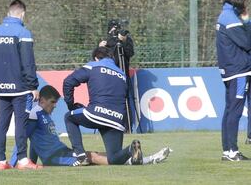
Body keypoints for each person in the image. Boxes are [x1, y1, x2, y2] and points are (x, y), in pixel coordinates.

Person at [9, 85, 171, 166]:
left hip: (61, 152)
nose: (55, 106)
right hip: (55, 158)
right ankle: (139, 156)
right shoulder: (34, 114)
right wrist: (18, 162)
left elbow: (36, 143)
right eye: (52, 102)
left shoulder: (44, 115)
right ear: (41, 100)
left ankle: (135, 158)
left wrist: (31, 162)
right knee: (91, 157)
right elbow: (23, 138)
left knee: (94, 153)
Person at [0, 0, 40, 170]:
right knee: (20, 123)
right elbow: (28, 63)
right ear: (22, 14)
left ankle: (1, 161)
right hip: (20, 88)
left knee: (2, 123)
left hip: (1, 87)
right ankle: (23, 160)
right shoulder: (23, 33)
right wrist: (33, 86)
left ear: (8, 13)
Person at [63, 46, 142, 165]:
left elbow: (68, 82)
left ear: (96, 58)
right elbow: (125, 97)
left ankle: (80, 155)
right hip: (118, 119)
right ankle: (131, 149)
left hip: (97, 113)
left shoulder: (92, 66)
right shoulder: (122, 74)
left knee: (69, 117)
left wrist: (71, 105)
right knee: (113, 158)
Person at [216, 0, 251, 161]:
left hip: (230, 70)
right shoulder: (232, 19)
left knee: (229, 110)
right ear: (238, 0)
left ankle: (227, 150)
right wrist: (248, 21)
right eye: (245, 0)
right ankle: (232, 151)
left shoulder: (225, 15)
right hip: (239, 71)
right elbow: (247, 42)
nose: (246, 4)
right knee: (235, 112)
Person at [99, 20, 135, 132]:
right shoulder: (106, 41)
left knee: (125, 100)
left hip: (123, 74)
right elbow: (98, 58)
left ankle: (127, 128)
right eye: (113, 28)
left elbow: (130, 53)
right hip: (109, 76)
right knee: (108, 100)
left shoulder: (126, 39)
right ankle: (110, 127)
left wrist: (122, 41)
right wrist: (100, 47)